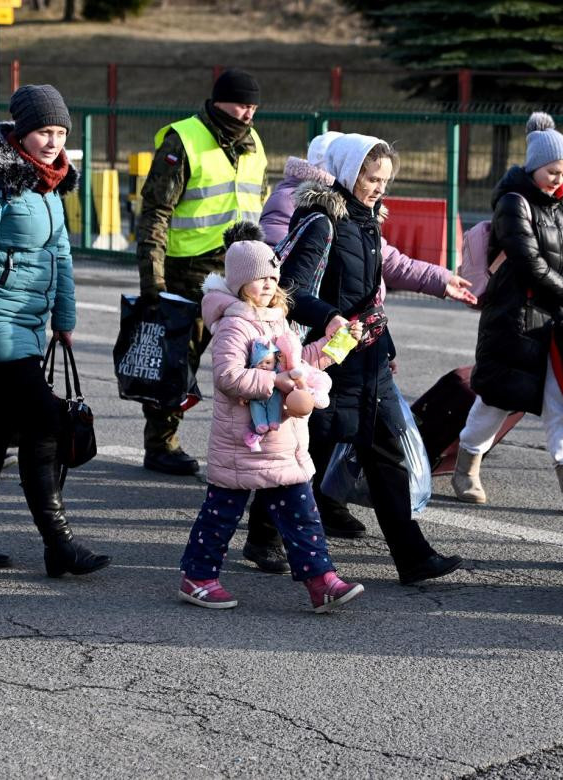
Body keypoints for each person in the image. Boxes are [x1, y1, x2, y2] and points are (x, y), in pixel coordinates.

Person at [243, 130, 475, 572]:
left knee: (386, 454)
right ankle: (262, 535)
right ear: (350, 173)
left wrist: (383, 343)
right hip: (331, 360)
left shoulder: (369, 221)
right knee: (306, 454)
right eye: (371, 178)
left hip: (368, 360)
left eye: (385, 181)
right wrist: (329, 315)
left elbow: (372, 295)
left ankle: (413, 557)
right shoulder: (320, 220)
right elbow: (288, 289)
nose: (378, 188)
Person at [0, 84, 111, 577]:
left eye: (60, 132)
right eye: (44, 131)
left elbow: (59, 253)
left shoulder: (50, 184)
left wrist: (64, 319)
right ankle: (59, 545)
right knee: (44, 422)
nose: (53, 141)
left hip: (32, 325)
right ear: (22, 130)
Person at [177, 222, 365, 613]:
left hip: (282, 440)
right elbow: (229, 378)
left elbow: (301, 361)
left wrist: (339, 345)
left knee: (303, 515)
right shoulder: (233, 324)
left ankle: (321, 582)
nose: (267, 283)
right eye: (258, 277)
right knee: (221, 515)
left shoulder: (277, 318)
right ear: (239, 282)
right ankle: (198, 577)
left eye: (272, 275)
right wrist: (275, 380)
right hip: (242, 440)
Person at [136, 68, 267, 477]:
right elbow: (155, 212)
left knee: (254, 359)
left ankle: (253, 443)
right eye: (241, 105)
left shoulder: (253, 143)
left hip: (240, 268)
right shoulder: (184, 139)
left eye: (253, 107)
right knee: (181, 360)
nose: (248, 114)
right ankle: (161, 444)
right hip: (189, 269)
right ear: (219, 101)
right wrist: (152, 280)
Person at [453, 113, 563, 512]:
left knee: (559, 403)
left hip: (551, 320)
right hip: (512, 317)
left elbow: (560, 261)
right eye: (551, 171)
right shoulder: (513, 202)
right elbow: (529, 262)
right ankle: (467, 466)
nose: (557, 180)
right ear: (532, 167)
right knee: (497, 398)